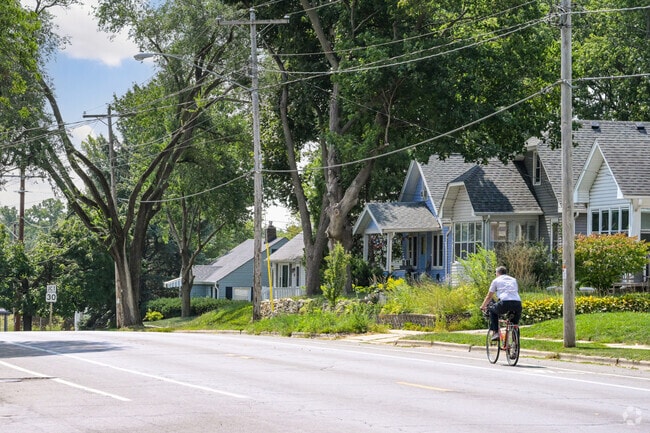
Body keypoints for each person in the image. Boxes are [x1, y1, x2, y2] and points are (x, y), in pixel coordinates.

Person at [480, 266, 522, 340]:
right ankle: (515, 342)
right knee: (514, 323)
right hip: (517, 303)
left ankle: (496, 332)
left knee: (492, 310)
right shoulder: (513, 280)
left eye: (495, 273)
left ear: (498, 273)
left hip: (505, 302)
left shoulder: (496, 280)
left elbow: (489, 296)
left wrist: (483, 306)